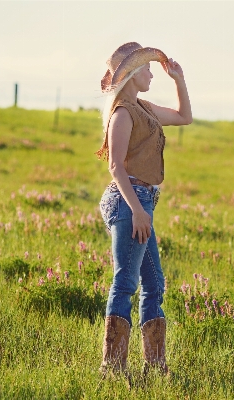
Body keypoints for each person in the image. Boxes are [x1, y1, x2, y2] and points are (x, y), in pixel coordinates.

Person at [96, 42, 192, 377]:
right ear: (134, 74)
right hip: (129, 201)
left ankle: (155, 365)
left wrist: (179, 79)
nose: (153, 73)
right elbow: (115, 166)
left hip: (142, 201)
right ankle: (113, 366)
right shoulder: (122, 113)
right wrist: (137, 211)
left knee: (154, 284)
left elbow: (184, 117)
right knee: (125, 282)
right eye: (148, 68)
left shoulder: (144, 107)